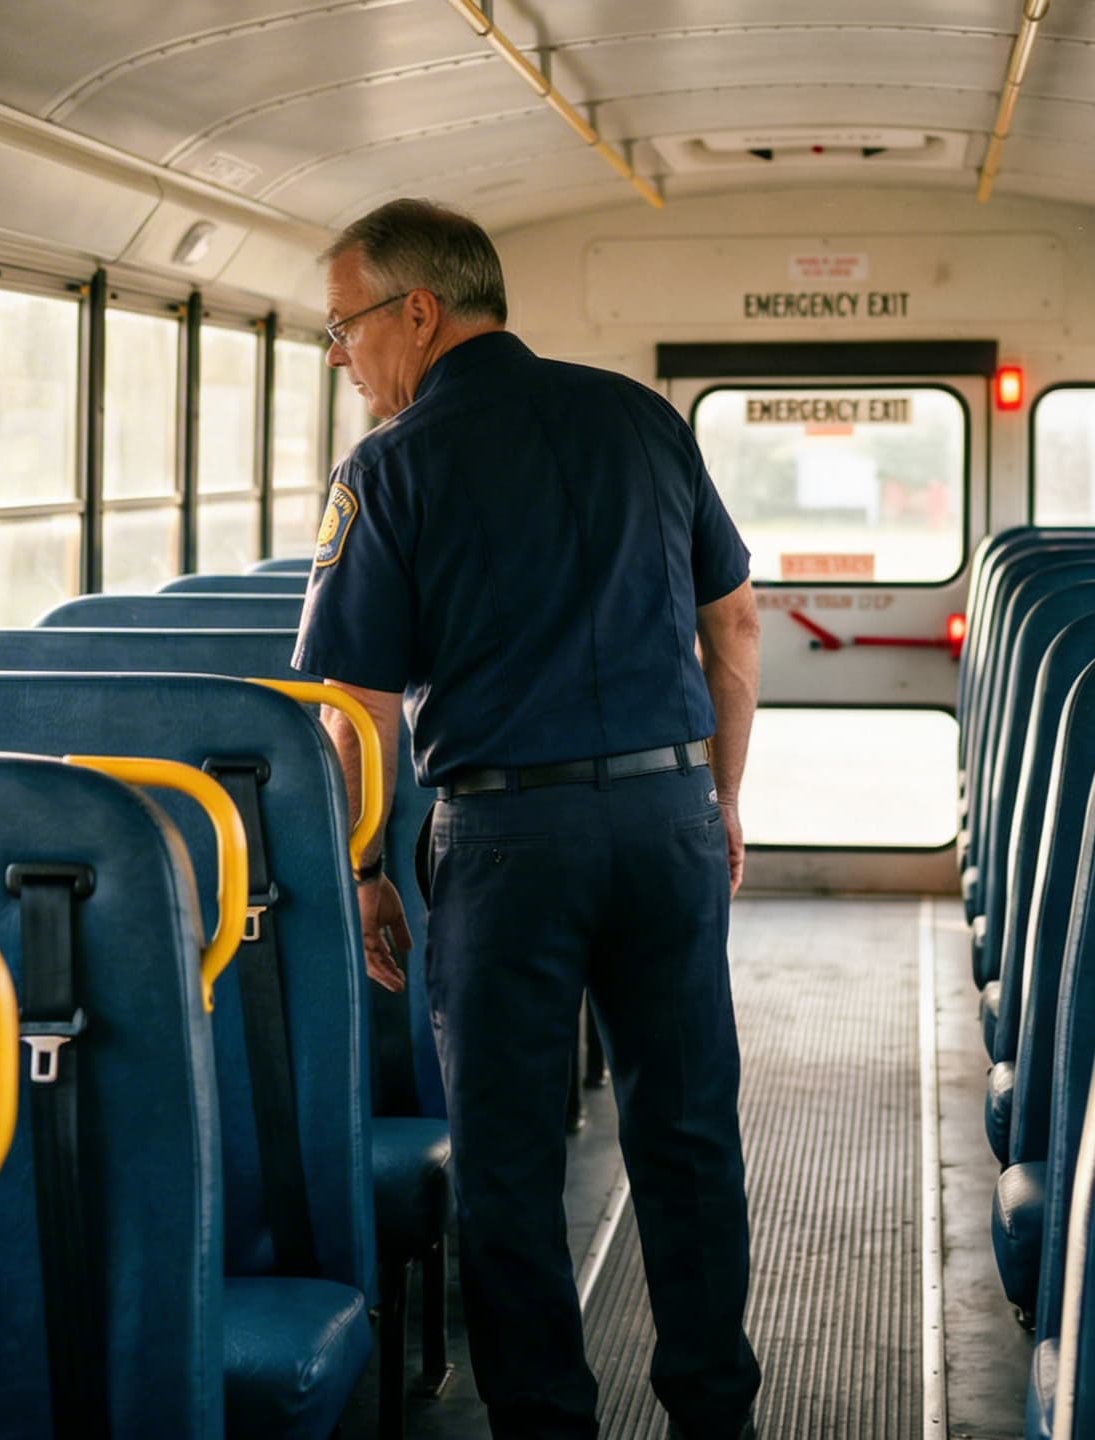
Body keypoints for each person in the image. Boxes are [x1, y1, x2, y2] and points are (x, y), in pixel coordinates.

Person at [293, 197, 764, 1440]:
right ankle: (716, 1416)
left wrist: (367, 870)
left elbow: (359, 708)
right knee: (685, 1135)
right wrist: (713, 799)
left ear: (417, 312)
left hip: (506, 843)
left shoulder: (387, 468)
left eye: (344, 332)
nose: (344, 363)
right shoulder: (641, 419)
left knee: (506, 1165)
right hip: (664, 817)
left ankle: (545, 1427)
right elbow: (736, 627)